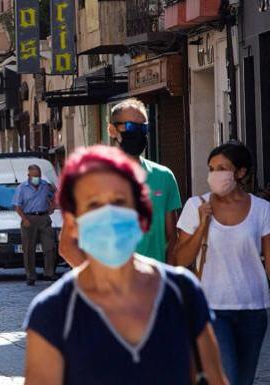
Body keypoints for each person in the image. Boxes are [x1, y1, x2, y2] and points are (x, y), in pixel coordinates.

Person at [23, 145, 227, 385]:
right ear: (72, 222)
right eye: (94, 205)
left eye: (119, 202)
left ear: (141, 214)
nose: (109, 214)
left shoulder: (181, 292)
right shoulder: (53, 312)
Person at [175, 141, 270, 385]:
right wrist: (201, 226)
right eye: (211, 168)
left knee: (244, 381)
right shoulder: (196, 205)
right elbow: (178, 259)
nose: (215, 175)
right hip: (211, 307)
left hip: (253, 309)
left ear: (240, 173)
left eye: (222, 169)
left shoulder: (263, 210)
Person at [59, 98, 181, 266]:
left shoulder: (164, 177)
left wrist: (167, 283)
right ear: (112, 130)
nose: (138, 133)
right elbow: (67, 246)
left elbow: (172, 239)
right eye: (130, 127)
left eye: (143, 128)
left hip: (153, 287)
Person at [13, 165, 57, 286]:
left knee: (49, 247)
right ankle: (31, 276)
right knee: (28, 249)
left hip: (43, 217)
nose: (37, 178)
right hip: (28, 218)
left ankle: (49, 273)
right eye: (34, 176)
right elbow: (17, 206)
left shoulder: (45, 185)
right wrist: (24, 219)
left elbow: (54, 197)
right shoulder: (22, 188)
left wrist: (52, 206)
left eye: (38, 176)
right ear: (28, 176)